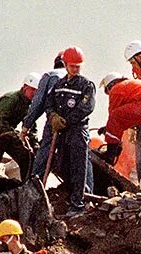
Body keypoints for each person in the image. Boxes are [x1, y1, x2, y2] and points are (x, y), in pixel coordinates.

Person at [45, 46, 97, 216]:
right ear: (65, 65)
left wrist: (66, 121)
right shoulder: (59, 85)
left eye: (78, 66)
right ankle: (68, 199)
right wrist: (53, 116)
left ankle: (78, 203)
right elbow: (49, 102)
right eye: (72, 66)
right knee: (62, 164)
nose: (75, 69)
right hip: (62, 133)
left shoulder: (86, 85)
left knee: (79, 166)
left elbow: (86, 107)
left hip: (77, 131)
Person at [0, 75, 39, 181]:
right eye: (32, 89)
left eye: (37, 91)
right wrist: (12, 134)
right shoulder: (11, 99)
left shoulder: (29, 106)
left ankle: (27, 187)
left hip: (8, 135)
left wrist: (35, 144)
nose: (34, 93)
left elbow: (30, 126)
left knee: (27, 158)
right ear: (25, 87)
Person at [26, 52, 69, 181]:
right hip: (74, 123)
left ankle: (35, 183)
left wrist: (26, 125)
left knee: (45, 150)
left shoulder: (51, 75)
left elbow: (38, 103)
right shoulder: (80, 79)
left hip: (54, 120)